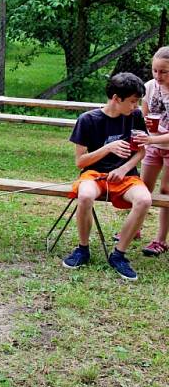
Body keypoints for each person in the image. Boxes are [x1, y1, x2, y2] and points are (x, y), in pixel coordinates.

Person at [62, 72, 151, 281]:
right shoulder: (88, 120)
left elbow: (141, 150)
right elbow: (80, 162)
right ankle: (82, 250)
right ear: (116, 98)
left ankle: (119, 255)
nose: (135, 107)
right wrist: (108, 148)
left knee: (144, 200)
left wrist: (124, 168)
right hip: (94, 174)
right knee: (84, 196)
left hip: (126, 175)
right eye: (132, 101)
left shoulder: (135, 117)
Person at [130, 47, 169, 256]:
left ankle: (161, 240)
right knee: (143, 187)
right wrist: (144, 132)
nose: (158, 76)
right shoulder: (150, 87)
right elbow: (141, 117)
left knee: (166, 192)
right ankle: (134, 229)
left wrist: (152, 137)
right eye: (155, 70)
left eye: (163, 71)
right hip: (152, 144)